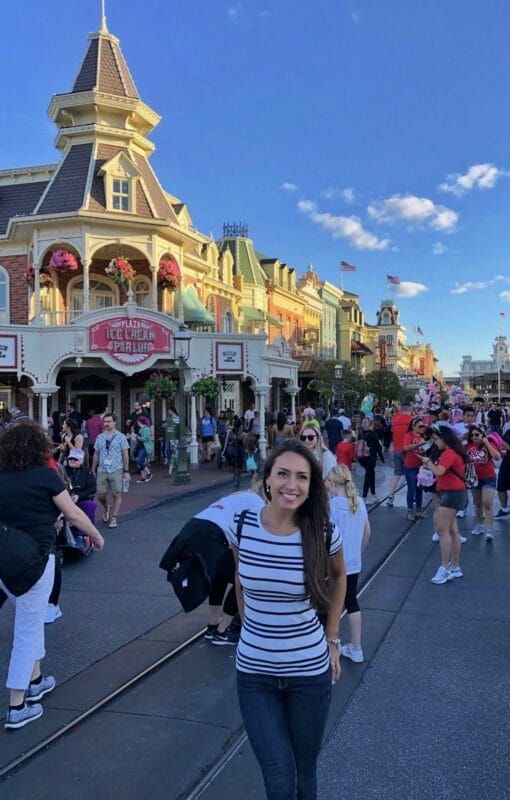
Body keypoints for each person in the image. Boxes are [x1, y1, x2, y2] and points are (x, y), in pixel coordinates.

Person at [226, 439, 346, 800]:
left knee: (303, 774)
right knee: (278, 776)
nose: (290, 485)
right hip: (254, 676)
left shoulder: (323, 532)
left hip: (309, 673)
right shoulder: (242, 524)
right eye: (282, 474)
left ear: (311, 487)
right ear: (267, 479)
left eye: (301, 477)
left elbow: (340, 577)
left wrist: (333, 638)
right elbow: (241, 577)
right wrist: (250, 627)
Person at [0, 422, 104, 730]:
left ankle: (36, 681)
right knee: (28, 629)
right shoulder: (46, 476)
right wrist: (96, 536)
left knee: (28, 616)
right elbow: (72, 512)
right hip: (34, 558)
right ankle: (17, 707)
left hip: (4, 558)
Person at [327, 464, 371, 663]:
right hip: (353, 561)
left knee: (329, 603)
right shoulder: (358, 502)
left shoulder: (332, 505)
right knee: (351, 601)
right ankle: (356, 647)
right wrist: (358, 552)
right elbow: (367, 532)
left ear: (332, 483)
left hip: (333, 562)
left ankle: (328, 644)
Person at [419, 426, 467, 584]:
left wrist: (427, 462)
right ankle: (455, 567)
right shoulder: (453, 452)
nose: (435, 442)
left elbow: (439, 471)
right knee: (453, 531)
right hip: (454, 492)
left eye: (436, 439)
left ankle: (445, 568)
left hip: (451, 493)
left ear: (444, 438)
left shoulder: (449, 453)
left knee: (442, 530)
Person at [92, 413, 130, 530]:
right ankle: (106, 507)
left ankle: (114, 517)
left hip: (116, 468)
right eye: (105, 422)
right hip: (102, 469)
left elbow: (125, 454)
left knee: (116, 493)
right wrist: (93, 468)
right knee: (100, 494)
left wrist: (126, 471)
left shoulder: (121, 437)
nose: (106, 424)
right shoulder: (100, 437)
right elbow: (96, 453)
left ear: (114, 422)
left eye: (109, 421)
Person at [465, 426, 500, 542]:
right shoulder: (467, 446)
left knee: (487, 504)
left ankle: (489, 530)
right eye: (472, 435)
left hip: (488, 477)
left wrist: (487, 444)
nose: (474, 437)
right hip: (474, 478)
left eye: (477, 434)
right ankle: (479, 525)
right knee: (478, 504)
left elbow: (497, 457)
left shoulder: (488, 444)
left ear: (482, 435)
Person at [386, 403, 413, 508]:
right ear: (410, 410)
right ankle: (412, 496)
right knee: (411, 474)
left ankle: (391, 495)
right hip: (408, 450)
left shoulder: (395, 419)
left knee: (396, 474)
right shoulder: (412, 420)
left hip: (397, 450)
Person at [403, 417, 427, 521]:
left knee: (419, 488)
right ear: (413, 426)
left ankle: (418, 509)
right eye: (420, 426)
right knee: (411, 488)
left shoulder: (423, 436)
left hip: (421, 467)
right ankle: (409, 510)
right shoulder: (409, 435)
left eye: (423, 426)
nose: (422, 428)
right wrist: (419, 444)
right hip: (410, 466)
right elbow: (406, 448)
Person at [357, 417, 384, 501]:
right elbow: (378, 447)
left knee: (371, 473)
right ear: (371, 424)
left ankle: (373, 494)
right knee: (369, 475)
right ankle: (365, 496)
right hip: (371, 456)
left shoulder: (360, 433)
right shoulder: (373, 434)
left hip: (362, 457)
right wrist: (382, 458)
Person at [132, 416, 153, 483]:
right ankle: (143, 477)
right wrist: (133, 436)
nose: (137, 423)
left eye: (138, 421)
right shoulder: (141, 429)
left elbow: (145, 439)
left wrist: (136, 436)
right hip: (140, 447)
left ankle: (149, 473)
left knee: (139, 460)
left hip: (145, 447)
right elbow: (138, 439)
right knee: (140, 461)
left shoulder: (146, 429)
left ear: (140, 422)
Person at [163, 407, 180, 475]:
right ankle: (171, 462)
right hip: (168, 436)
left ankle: (173, 464)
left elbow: (177, 427)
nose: (168, 412)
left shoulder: (177, 418)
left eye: (169, 411)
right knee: (167, 449)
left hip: (174, 437)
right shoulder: (168, 418)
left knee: (174, 451)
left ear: (172, 411)